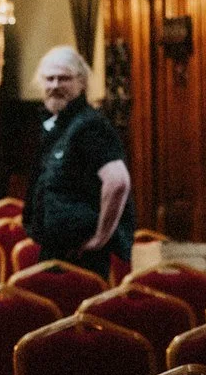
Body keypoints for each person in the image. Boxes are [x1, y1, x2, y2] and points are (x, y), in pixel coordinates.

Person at [23, 45, 134, 281]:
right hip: (57, 252)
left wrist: (100, 238)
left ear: (81, 83)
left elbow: (118, 183)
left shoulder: (89, 126)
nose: (54, 86)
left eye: (63, 79)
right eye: (49, 78)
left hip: (83, 256)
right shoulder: (58, 126)